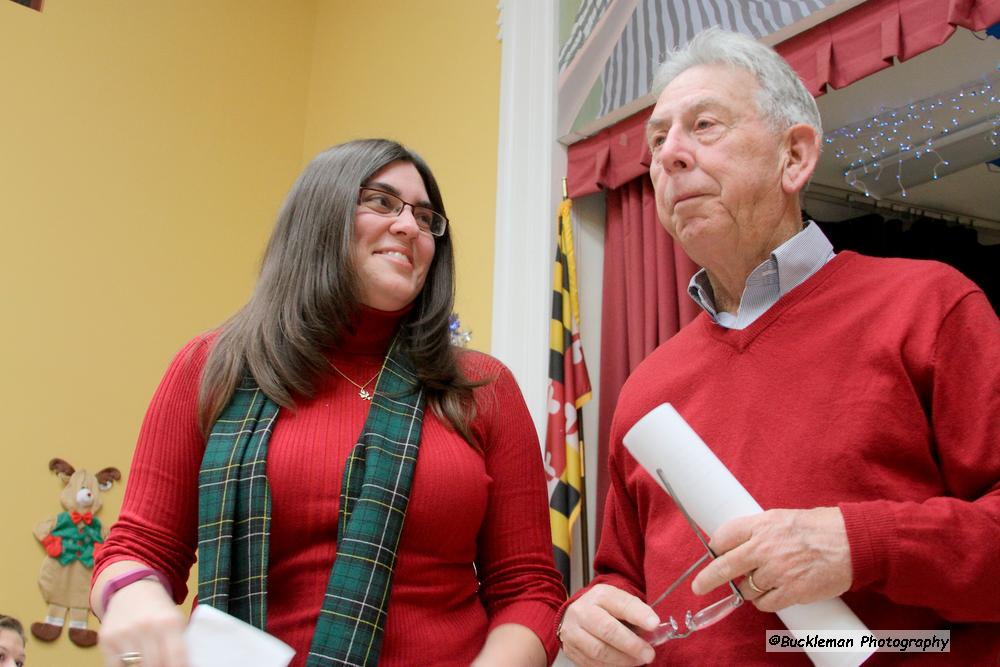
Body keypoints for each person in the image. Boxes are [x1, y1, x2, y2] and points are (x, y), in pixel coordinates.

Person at [558, 26, 1000, 666]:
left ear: (794, 157)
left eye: (704, 125)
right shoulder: (647, 387)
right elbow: (625, 579)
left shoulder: (931, 308)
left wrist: (858, 545)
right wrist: (593, 614)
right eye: (658, 140)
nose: (670, 155)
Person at [90, 138, 565, 667]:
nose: (410, 227)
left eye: (426, 217)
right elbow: (138, 549)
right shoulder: (211, 366)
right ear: (321, 216)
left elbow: (529, 590)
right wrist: (133, 595)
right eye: (382, 202)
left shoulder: (482, 387)